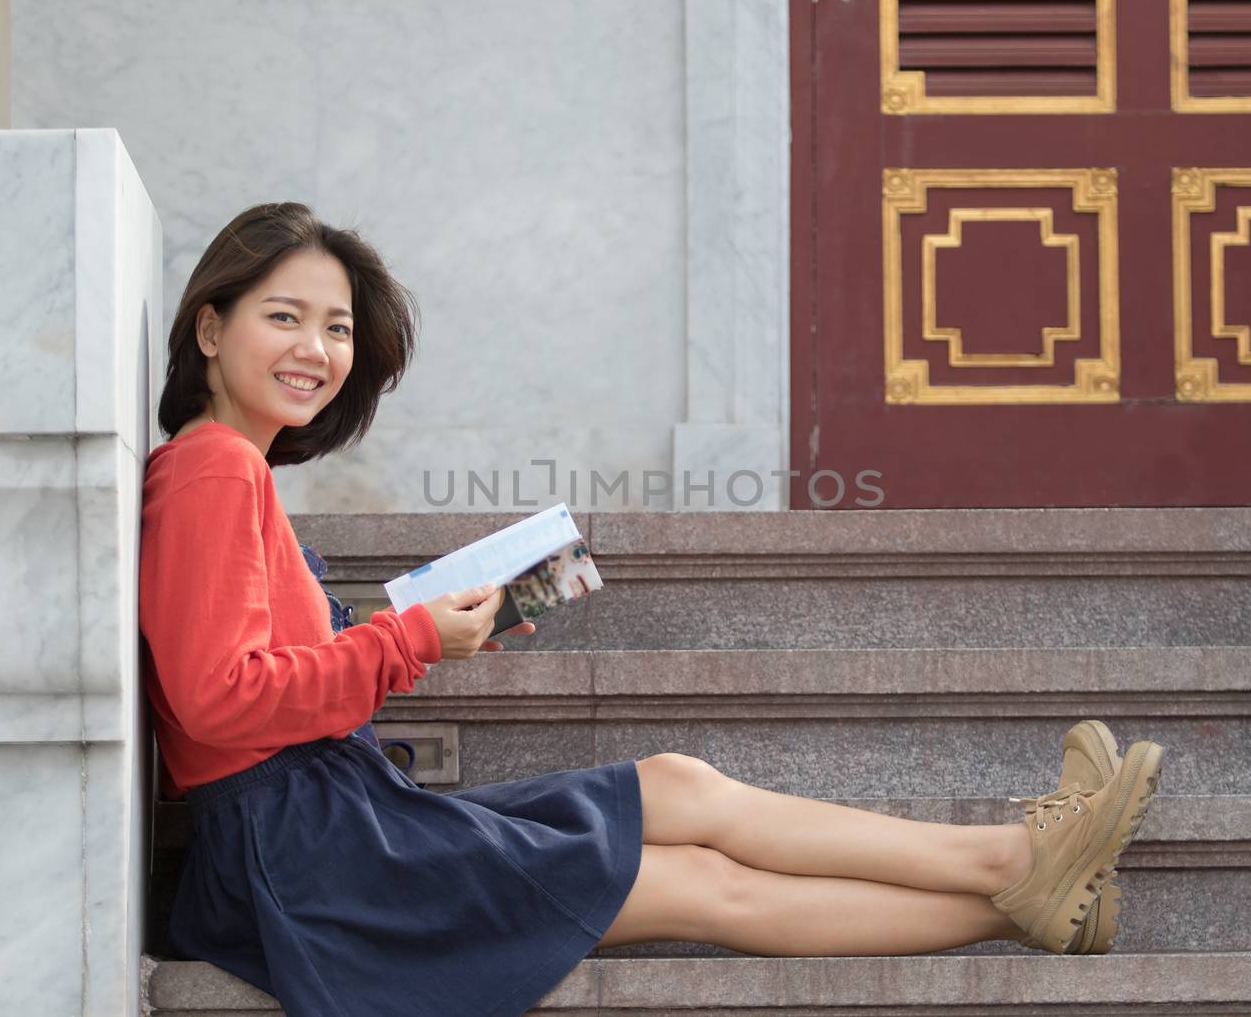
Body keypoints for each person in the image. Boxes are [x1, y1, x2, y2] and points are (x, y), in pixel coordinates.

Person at [138, 201, 1166, 1017]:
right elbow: (217, 701)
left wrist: (413, 633)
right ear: (210, 324)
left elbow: (254, 678)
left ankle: (1025, 893)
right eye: (285, 316)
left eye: (337, 326)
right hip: (307, 849)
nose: (315, 347)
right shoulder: (213, 469)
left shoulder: (233, 472)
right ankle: (1017, 871)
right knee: (696, 884)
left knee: (677, 787)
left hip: (325, 815)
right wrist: (408, 637)